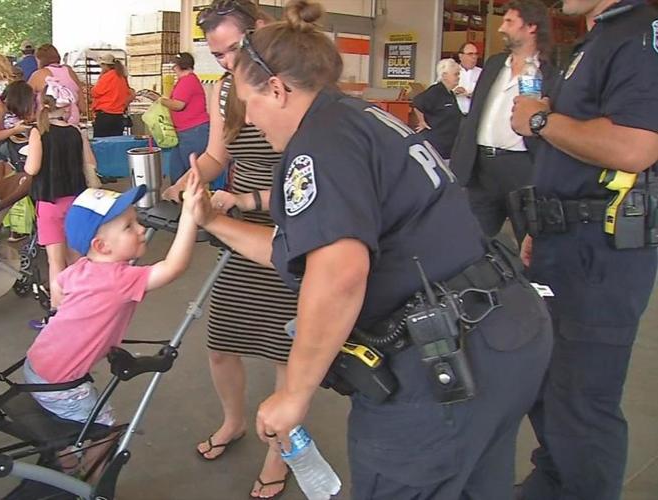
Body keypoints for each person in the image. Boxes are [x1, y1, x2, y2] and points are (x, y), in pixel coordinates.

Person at [181, 2, 552, 499]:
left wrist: (294, 394)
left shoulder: (319, 146)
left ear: (277, 89)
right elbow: (296, 249)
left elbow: (338, 276)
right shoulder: (358, 119)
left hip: (444, 363)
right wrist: (213, 220)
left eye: (250, 105)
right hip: (500, 332)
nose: (250, 120)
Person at [509, 1, 658, 499]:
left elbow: (635, 146)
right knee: (549, 384)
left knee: (583, 397)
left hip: (601, 252)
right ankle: (555, 478)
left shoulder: (639, 37)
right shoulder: (597, 38)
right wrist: (542, 221)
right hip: (564, 238)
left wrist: (539, 121)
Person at [162, 3, 298, 498]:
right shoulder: (223, 90)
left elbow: (312, 177)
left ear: (259, 32)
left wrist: (244, 198)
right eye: (216, 53)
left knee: (288, 354)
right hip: (241, 231)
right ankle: (235, 421)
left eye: (232, 49)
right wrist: (192, 177)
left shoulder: (293, 83)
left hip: (290, 228)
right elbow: (221, 152)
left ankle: (277, 452)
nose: (224, 62)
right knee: (221, 340)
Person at [24, 181, 199, 426]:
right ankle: (72, 464)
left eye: (137, 221)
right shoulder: (118, 279)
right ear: (102, 246)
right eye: (129, 226)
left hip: (35, 365)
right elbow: (173, 267)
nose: (140, 229)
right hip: (61, 384)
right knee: (101, 431)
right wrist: (190, 214)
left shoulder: (81, 268)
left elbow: (59, 284)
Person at [450, 0, 555, 237]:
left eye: (509, 21)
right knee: (471, 245)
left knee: (530, 242)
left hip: (522, 169)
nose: (501, 28)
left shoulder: (549, 73)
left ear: (531, 27)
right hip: (482, 169)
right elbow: (474, 114)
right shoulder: (495, 64)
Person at [23, 82, 100, 323]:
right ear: (66, 109)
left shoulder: (38, 132)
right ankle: (84, 305)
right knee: (76, 256)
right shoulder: (76, 132)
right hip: (77, 202)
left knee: (55, 261)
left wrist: (25, 163)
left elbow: (32, 167)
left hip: (49, 203)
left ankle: (58, 312)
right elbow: (91, 164)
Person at [158, 53, 213, 181]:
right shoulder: (186, 81)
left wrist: (160, 100)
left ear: (178, 66)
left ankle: (192, 197)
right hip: (184, 131)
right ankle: (177, 195)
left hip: (193, 131)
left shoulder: (188, 81)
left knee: (192, 170)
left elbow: (178, 105)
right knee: (177, 167)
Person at [412, 58, 463, 161]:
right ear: (444, 75)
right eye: (455, 74)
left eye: (458, 74)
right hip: (436, 147)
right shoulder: (436, 91)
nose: (458, 77)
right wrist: (422, 121)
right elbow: (417, 102)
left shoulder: (450, 93)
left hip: (448, 146)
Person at [27, 44, 85, 124]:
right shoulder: (70, 72)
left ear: (39, 59)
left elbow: (25, 100)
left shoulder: (38, 75)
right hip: (72, 122)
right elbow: (82, 105)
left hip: (46, 123)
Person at [91, 54, 133, 137]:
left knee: (101, 144)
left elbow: (95, 92)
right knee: (115, 142)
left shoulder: (107, 77)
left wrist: (100, 77)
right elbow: (129, 93)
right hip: (118, 116)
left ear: (105, 65)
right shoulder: (121, 77)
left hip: (105, 115)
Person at [455, 42, 482, 115]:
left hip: (473, 115)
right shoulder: (452, 70)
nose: (474, 57)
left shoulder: (482, 73)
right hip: (454, 115)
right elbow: (439, 91)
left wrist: (476, 95)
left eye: (476, 54)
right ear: (460, 56)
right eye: (470, 54)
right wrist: (454, 91)